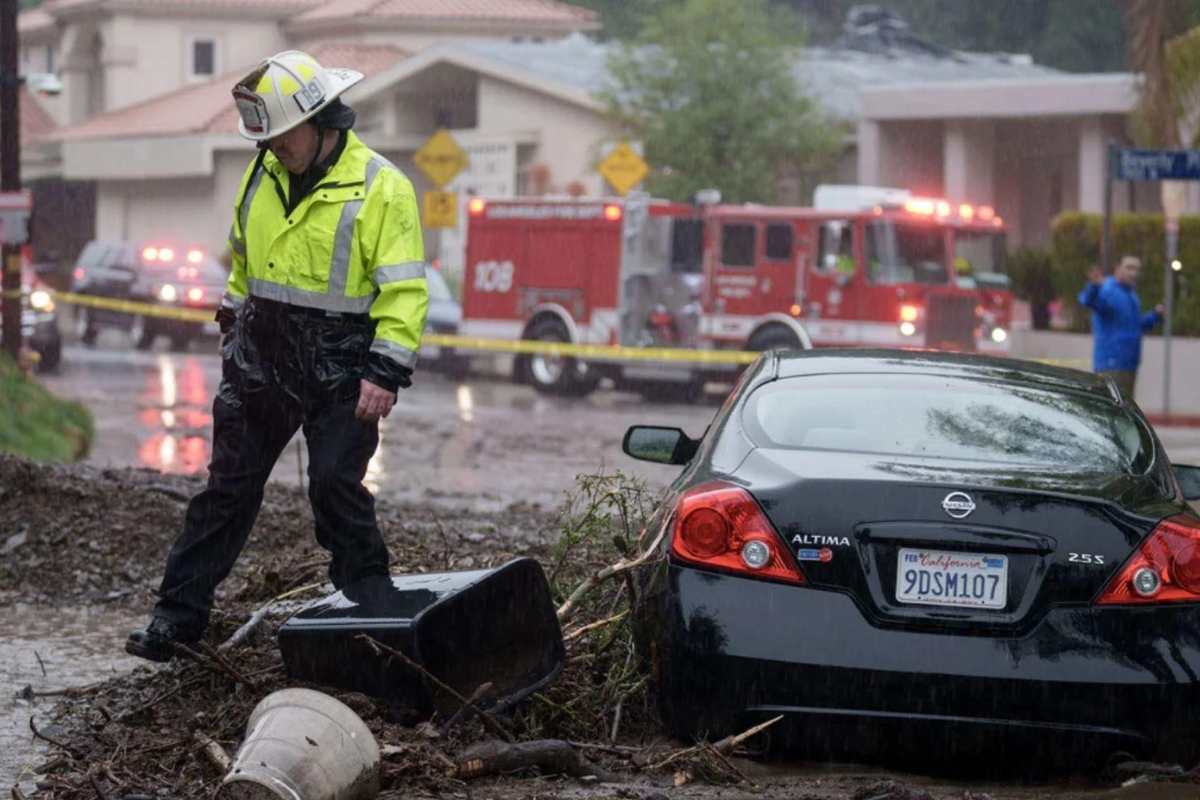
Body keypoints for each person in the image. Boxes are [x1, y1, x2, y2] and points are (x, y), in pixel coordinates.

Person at [126, 50, 429, 661]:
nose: (271, 148)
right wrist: (232, 320)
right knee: (228, 490)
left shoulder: (382, 187)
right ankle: (176, 620)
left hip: (344, 360)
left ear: (322, 121)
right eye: (263, 138)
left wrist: (386, 371)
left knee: (333, 485)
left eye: (281, 135)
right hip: (261, 352)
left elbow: (404, 290)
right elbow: (244, 259)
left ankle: (373, 619)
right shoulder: (262, 172)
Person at [1077, 256, 1163, 400]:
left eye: (1137, 269)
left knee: (1124, 409)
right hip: (1111, 364)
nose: (1134, 273)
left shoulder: (1131, 294)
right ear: (1118, 269)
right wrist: (1094, 286)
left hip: (1129, 364)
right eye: (1129, 267)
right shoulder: (1108, 289)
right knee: (1112, 410)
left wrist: (1155, 315)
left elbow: (1135, 326)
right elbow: (1089, 301)